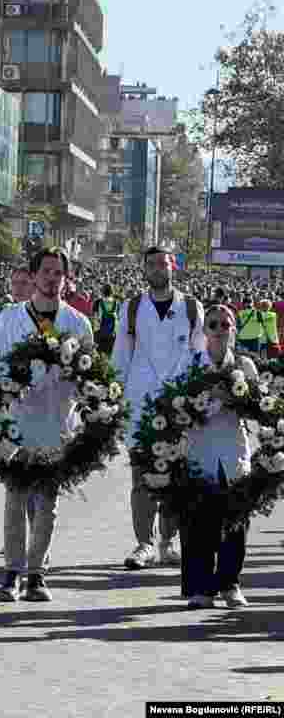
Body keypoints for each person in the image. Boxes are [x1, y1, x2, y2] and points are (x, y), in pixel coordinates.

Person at [0, 247, 93, 602]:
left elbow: (90, 377)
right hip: (17, 419)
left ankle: (37, 574)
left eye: (58, 273)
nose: (51, 278)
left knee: (47, 502)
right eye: (46, 272)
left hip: (56, 420)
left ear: (66, 279)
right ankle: (11, 572)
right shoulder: (9, 318)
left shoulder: (77, 323)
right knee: (15, 499)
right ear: (33, 276)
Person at [113, 246, 203, 571]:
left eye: (162, 263)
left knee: (177, 476)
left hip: (180, 406)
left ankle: (167, 542)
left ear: (173, 266)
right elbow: (121, 354)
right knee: (142, 476)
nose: (157, 268)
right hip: (141, 403)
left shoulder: (192, 307)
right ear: (144, 269)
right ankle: (144, 543)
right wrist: (114, 399)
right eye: (151, 264)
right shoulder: (133, 307)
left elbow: (200, 357)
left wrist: (198, 401)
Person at [180, 305, 252, 609]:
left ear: (234, 329)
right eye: (213, 324)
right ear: (204, 330)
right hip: (201, 448)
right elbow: (178, 407)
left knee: (236, 520)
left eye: (226, 324)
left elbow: (257, 406)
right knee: (200, 522)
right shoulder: (191, 363)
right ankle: (201, 588)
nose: (220, 329)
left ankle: (230, 584)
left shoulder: (245, 365)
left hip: (234, 449)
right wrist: (212, 401)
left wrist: (234, 399)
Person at [92, 283, 119, 356]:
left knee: (98, 356)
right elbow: (118, 318)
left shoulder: (97, 302)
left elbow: (94, 317)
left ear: (102, 291)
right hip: (112, 333)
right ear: (112, 292)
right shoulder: (116, 303)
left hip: (99, 333)